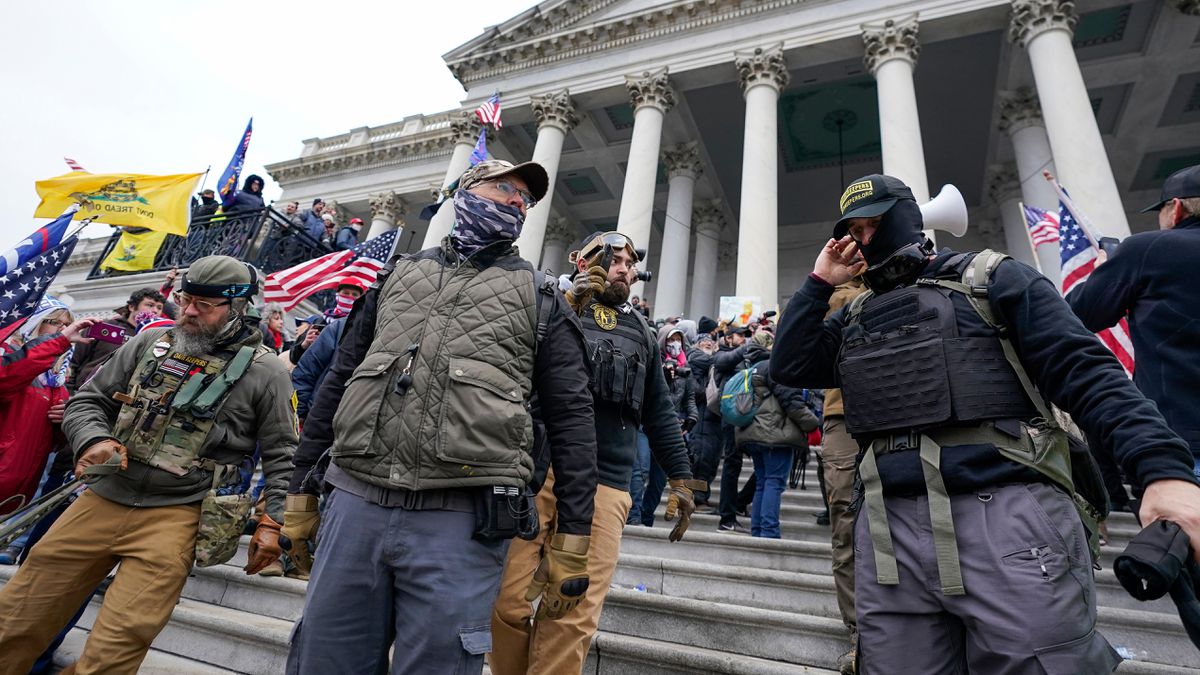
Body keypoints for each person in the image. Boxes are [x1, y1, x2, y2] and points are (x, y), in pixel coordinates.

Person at [772, 173, 1200, 673]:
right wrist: (819, 282)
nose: (864, 241)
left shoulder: (994, 278)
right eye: (854, 230)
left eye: (874, 226)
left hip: (1005, 512)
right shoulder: (855, 315)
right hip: (888, 529)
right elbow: (790, 365)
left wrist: (1163, 471)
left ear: (906, 220)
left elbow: (1084, 370)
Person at [283, 159, 599, 675]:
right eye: (505, 189)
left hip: (461, 520)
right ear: (465, 192)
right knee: (324, 659)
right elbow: (336, 385)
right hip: (356, 503)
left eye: (526, 198)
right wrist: (299, 493)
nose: (518, 203)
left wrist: (573, 537)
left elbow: (573, 423)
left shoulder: (544, 301)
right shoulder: (393, 279)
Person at [0, 255, 298, 675]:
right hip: (102, 497)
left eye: (204, 304)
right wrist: (95, 439)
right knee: (17, 617)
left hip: (178, 513)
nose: (189, 311)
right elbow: (88, 401)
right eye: (185, 298)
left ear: (238, 307)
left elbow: (285, 454)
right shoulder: (148, 343)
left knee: (118, 645)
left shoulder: (267, 372)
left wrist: (274, 522)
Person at [490, 230, 704, 675]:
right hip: (537, 472)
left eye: (629, 261)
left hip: (607, 484)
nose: (622, 266)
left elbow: (660, 411)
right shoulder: (547, 308)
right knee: (508, 602)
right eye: (611, 257)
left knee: (572, 613)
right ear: (578, 260)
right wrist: (567, 310)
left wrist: (681, 478)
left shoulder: (643, 333)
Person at [1066, 164, 1200, 474]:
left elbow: (1076, 316)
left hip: (1183, 442)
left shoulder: (1148, 250)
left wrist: (1102, 271)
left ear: (1176, 208)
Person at [813, 275, 867, 674]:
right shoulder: (839, 294)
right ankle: (860, 633)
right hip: (845, 416)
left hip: (906, 408)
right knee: (846, 526)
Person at [0, 299, 93, 517]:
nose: (64, 330)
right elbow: (8, 379)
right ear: (35, 323)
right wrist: (59, 341)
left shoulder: (55, 380)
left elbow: (53, 443)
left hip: (19, 492)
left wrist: (63, 421)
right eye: (56, 322)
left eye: (66, 324)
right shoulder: (6, 354)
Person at [733, 330, 819, 539]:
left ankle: (758, 530)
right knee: (774, 482)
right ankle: (769, 532)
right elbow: (792, 402)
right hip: (774, 434)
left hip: (753, 434)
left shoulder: (751, 368)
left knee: (763, 482)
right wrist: (813, 425)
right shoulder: (776, 368)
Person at [628, 327, 698, 526]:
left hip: (670, 425)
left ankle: (647, 516)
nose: (675, 343)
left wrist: (692, 417)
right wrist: (664, 376)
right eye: (671, 339)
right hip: (645, 423)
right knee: (641, 469)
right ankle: (634, 515)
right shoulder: (652, 361)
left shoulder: (686, 368)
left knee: (659, 480)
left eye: (678, 339)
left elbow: (690, 398)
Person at [66, 289, 165, 392]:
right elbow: (73, 360)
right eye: (150, 305)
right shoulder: (105, 326)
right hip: (86, 391)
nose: (155, 311)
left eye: (159, 308)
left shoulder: (154, 339)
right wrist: (69, 392)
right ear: (132, 307)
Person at [714, 325, 759, 533]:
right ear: (729, 338)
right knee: (732, 465)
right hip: (731, 415)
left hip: (747, 416)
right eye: (739, 336)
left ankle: (740, 503)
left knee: (763, 465)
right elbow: (723, 362)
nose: (743, 339)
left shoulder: (747, 357)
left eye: (745, 336)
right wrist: (747, 346)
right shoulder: (722, 353)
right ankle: (727, 517)